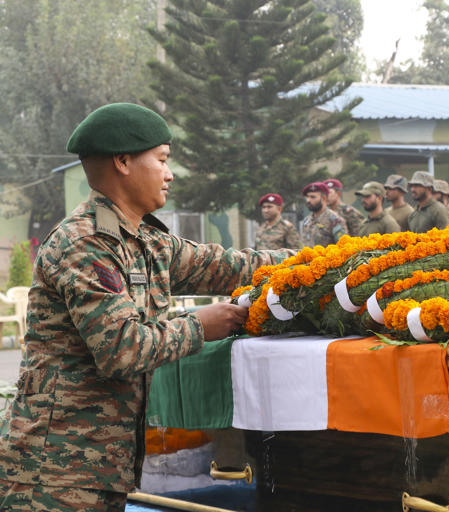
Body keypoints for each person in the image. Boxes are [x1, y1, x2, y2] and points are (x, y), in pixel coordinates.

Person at [0, 103, 292, 511]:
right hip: (54, 472)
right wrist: (199, 326)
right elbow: (121, 348)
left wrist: (322, 261)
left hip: (98, 468)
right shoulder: (85, 244)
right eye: (162, 160)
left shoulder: (147, 241)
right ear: (122, 161)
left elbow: (228, 265)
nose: (169, 174)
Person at [300, 182, 348, 247]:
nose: (308, 200)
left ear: (324, 198)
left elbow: (343, 247)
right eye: (307, 197)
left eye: (312, 197)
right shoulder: (306, 221)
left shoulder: (335, 220)